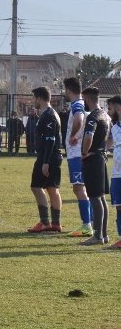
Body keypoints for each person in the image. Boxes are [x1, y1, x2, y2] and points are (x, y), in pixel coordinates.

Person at [26, 87, 63, 234]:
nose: (32, 101)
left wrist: (45, 161)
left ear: (40, 98)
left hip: (47, 157)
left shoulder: (48, 115)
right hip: (53, 157)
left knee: (36, 187)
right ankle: (56, 223)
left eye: (34, 98)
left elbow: (50, 140)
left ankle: (45, 222)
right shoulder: (48, 114)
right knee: (52, 188)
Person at [79, 86, 111, 246]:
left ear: (87, 99)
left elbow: (88, 136)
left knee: (94, 197)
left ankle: (97, 236)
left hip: (93, 159)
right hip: (101, 158)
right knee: (101, 197)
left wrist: (84, 153)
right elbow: (110, 138)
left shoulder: (93, 116)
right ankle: (103, 235)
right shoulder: (105, 115)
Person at [63, 77, 94, 238]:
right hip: (78, 154)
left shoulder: (77, 104)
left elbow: (79, 120)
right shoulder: (81, 104)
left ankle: (87, 225)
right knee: (84, 188)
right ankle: (92, 223)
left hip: (76, 154)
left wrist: (73, 135)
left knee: (78, 188)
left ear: (68, 90)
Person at [105, 95, 121, 250]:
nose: (109, 112)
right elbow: (108, 145)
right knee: (118, 206)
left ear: (118, 108)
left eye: (110, 108)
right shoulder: (115, 128)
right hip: (116, 174)